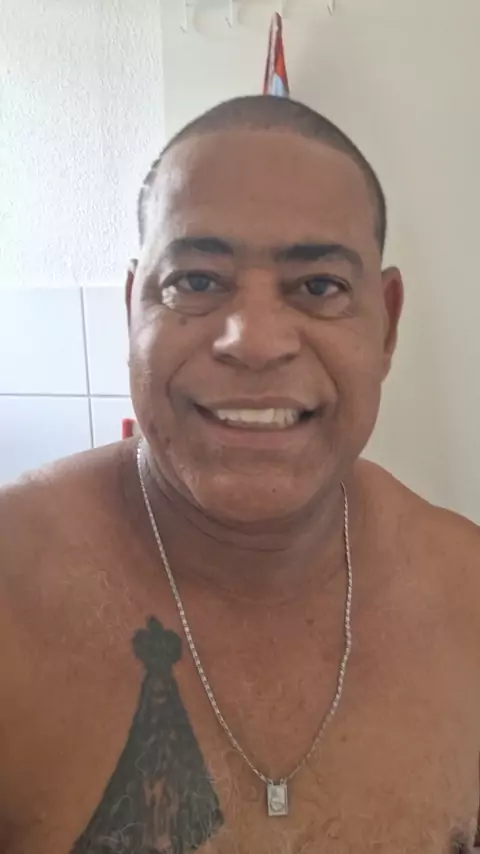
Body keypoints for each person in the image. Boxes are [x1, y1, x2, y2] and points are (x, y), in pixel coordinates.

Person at [1, 95, 479, 854]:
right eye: (195, 281)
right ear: (132, 311)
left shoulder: (467, 595)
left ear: (387, 324)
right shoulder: (12, 587)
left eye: (318, 286)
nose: (253, 343)